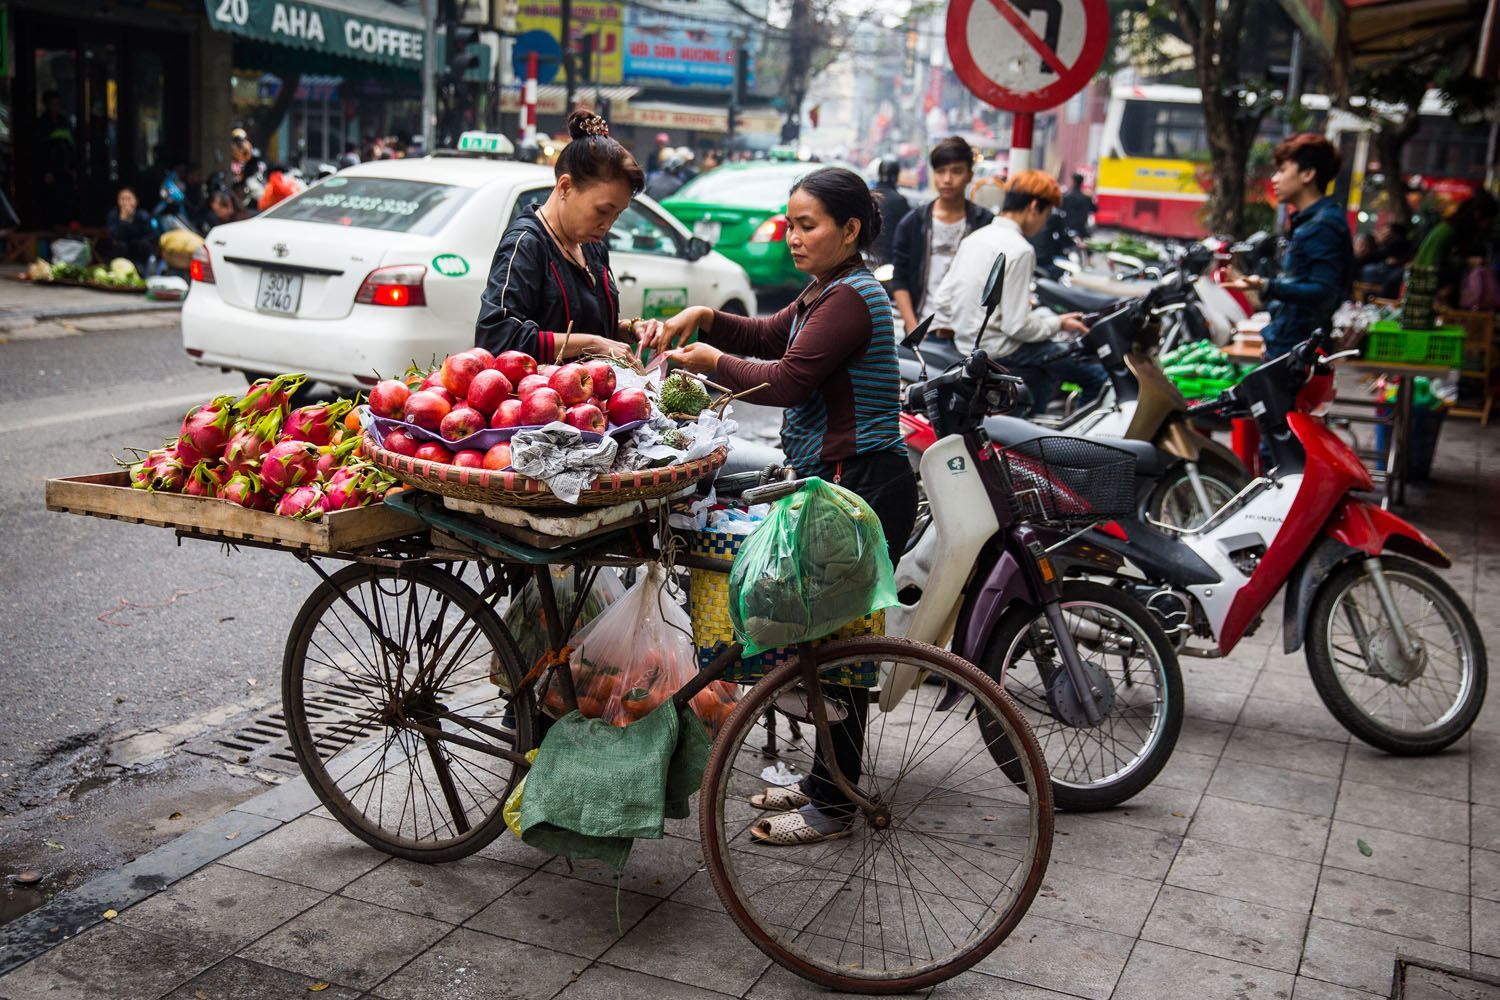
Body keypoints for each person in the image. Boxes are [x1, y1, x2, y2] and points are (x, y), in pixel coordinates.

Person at [641, 167, 916, 845]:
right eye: (790, 224)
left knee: (841, 648)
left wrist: (707, 363)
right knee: (825, 640)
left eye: (808, 225)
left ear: (849, 230)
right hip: (840, 479)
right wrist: (705, 319)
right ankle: (826, 782)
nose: (793, 237)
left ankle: (834, 805)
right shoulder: (828, 290)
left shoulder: (852, 298)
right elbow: (769, 336)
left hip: (859, 484)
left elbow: (789, 381)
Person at [928, 170, 1105, 414]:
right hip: (1001, 350)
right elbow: (1015, 326)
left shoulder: (976, 238)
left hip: (967, 344)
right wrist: (1058, 324)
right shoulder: (1021, 249)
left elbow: (943, 299)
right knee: (1097, 378)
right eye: (1046, 213)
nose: (1044, 221)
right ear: (1034, 206)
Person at [475, 111, 645, 362]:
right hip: (537, 397)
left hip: (587, 397)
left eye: (617, 214)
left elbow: (576, 321)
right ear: (565, 187)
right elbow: (496, 337)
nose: (607, 225)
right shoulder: (526, 244)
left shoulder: (591, 247)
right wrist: (594, 344)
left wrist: (628, 330)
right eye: (602, 210)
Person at [1224, 134, 1354, 358]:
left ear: (1308, 174)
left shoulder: (1323, 225)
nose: (1275, 179)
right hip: (1289, 343)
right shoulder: (1310, 221)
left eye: (1282, 170)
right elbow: (1299, 285)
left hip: (1297, 349)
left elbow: (1324, 291)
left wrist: (1266, 285)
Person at [889, 136, 993, 333]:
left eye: (956, 171)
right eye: (940, 171)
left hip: (970, 332)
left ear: (969, 175)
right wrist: (912, 326)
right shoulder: (913, 223)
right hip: (925, 329)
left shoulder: (984, 222)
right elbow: (899, 279)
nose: (947, 179)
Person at [1411, 190, 1498, 307]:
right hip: (1428, 285)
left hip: (1421, 282)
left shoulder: (1448, 226)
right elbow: (1442, 264)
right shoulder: (1453, 232)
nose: (1487, 225)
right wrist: (1468, 262)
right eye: (1488, 220)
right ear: (1478, 215)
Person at [36, 91, 78, 227]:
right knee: (51, 202)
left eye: (57, 104)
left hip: (65, 170)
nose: (55, 107)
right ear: (46, 105)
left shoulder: (64, 122)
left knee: (67, 201)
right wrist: (45, 170)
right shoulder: (42, 124)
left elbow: (71, 147)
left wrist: (73, 167)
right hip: (51, 171)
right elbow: (40, 150)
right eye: (52, 104)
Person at [99, 187, 159, 276]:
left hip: (138, 253)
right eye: (122, 199)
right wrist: (123, 220)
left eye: (129, 199)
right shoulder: (113, 215)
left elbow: (151, 235)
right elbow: (114, 235)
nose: (126, 202)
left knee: (143, 244)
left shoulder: (143, 215)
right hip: (120, 253)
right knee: (120, 245)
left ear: (136, 201)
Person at [870, 156, 910, 268]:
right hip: (889, 259)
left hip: (868, 257)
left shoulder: (869, 195)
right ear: (896, 175)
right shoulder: (899, 200)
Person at [1061, 172, 1096, 236]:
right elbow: (1094, 209)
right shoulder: (1086, 198)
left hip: (1068, 228)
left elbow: (1060, 210)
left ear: (1073, 182)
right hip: (1082, 229)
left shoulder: (1067, 197)